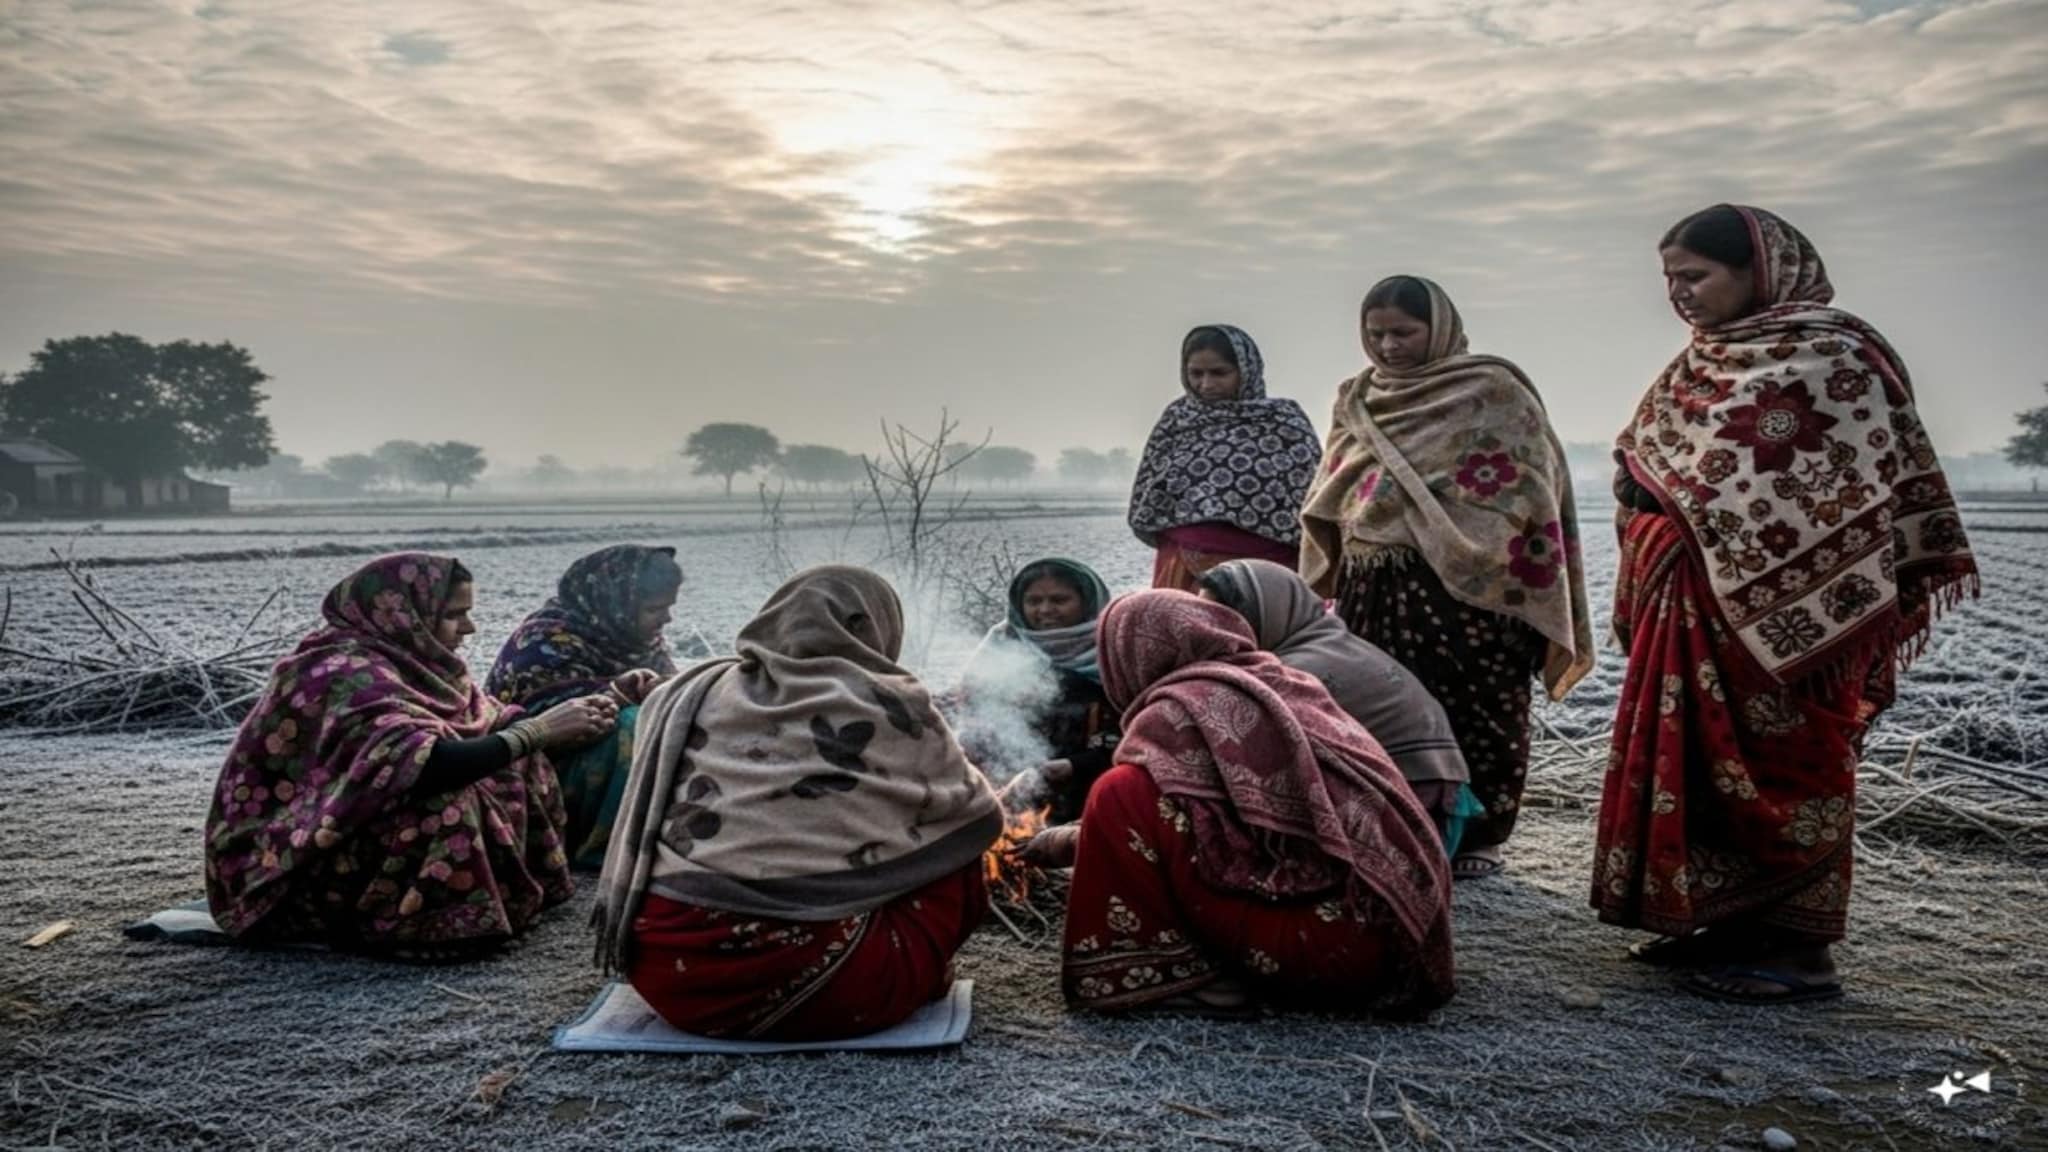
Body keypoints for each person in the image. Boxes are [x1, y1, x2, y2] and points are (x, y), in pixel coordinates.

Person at [1595, 205, 1977, 1004]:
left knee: (1783, 767)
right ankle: (1722, 924)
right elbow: (1656, 463)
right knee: (1698, 767)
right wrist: (1642, 492)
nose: (1679, 295)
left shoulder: (1834, 356)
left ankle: (1799, 952)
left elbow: (1827, 489)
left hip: (1801, 625)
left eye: (1694, 276)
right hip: (1694, 612)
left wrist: (1680, 503)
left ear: (1759, 270)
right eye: (1669, 279)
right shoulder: (1697, 363)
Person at [592, 566, 1003, 1041]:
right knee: (960, 840)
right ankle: (917, 970)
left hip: (674, 978)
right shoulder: (888, 701)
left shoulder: (689, 691)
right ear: (877, 627)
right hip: (825, 986)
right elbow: (978, 814)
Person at [1300, 275, 1592, 881]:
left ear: (1440, 328)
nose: (1387, 346)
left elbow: (1527, 486)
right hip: (1372, 582)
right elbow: (1335, 480)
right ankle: (1392, 823)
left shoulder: (1491, 389)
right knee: (1375, 702)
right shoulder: (1356, 398)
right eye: (1375, 334)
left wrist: (1458, 537)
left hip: (1469, 589)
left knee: (1477, 704)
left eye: (1404, 332)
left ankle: (1482, 832)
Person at [1050, 590, 1454, 1017]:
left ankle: (1171, 979)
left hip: (1325, 950)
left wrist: (1084, 835)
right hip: (1398, 936)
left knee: (1118, 792)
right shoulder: (1285, 680)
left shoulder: (1174, 712)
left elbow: (1171, 830)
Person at [205, 553, 616, 956]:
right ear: (403, 614)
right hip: (295, 852)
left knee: (518, 761)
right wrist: (538, 730)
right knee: (449, 801)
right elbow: (421, 766)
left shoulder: (421, 664)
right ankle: (414, 922)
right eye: (455, 614)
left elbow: (486, 721)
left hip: (358, 819)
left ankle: (491, 899)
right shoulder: (340, 672)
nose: (469, 628)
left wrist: (594, 706)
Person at [1196, 558, 1482, 856]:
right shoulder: (1331, 643)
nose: (1213, 631)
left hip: (1413, 821)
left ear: (1267, 614)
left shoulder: (1290, 674)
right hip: (1435, 811)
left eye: (1225, 620)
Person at [486, 544, 684, 867]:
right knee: (634, 723)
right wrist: (618, 695)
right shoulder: (544, 642)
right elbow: (554, 728)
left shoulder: (639, 641)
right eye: (654, 609)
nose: (667, 618)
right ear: (617, 603)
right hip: (545, 776)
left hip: (623, 772)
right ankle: (609, 845)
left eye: (669, 607)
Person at [1128, 324, 1322, 591]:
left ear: (1246, 370)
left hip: (1265, 573)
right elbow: (1150, 497)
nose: (1206, 384)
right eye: (1196, 373)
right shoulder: (1177, 421)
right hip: (1182, 569)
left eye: (1219, 373)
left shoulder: (1283, 423)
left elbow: (1311, 501)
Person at [949, 557, 1120, 825]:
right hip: (1012, 789)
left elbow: (1133, 735)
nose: (1045, 610)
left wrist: (1075, 765)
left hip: (1095, 792)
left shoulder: (1115, 649)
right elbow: (973, 718)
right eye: (1034, 601)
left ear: (1088, 601)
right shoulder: (1002, 645)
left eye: (1059, 600)